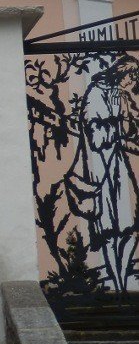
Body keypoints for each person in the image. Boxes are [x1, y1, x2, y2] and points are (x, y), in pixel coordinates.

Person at [65, 54, 139, 292]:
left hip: (118, 165)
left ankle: (122, 284)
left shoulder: (121, 95)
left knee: (129, 227)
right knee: (109, 230)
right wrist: (118, 124)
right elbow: (96, 138)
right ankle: (117, 283)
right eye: (132, 76)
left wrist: (123, 119)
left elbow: (129, 131)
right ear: (122, 73)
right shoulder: (95, 93)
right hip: (101, 170)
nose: (133, 82)